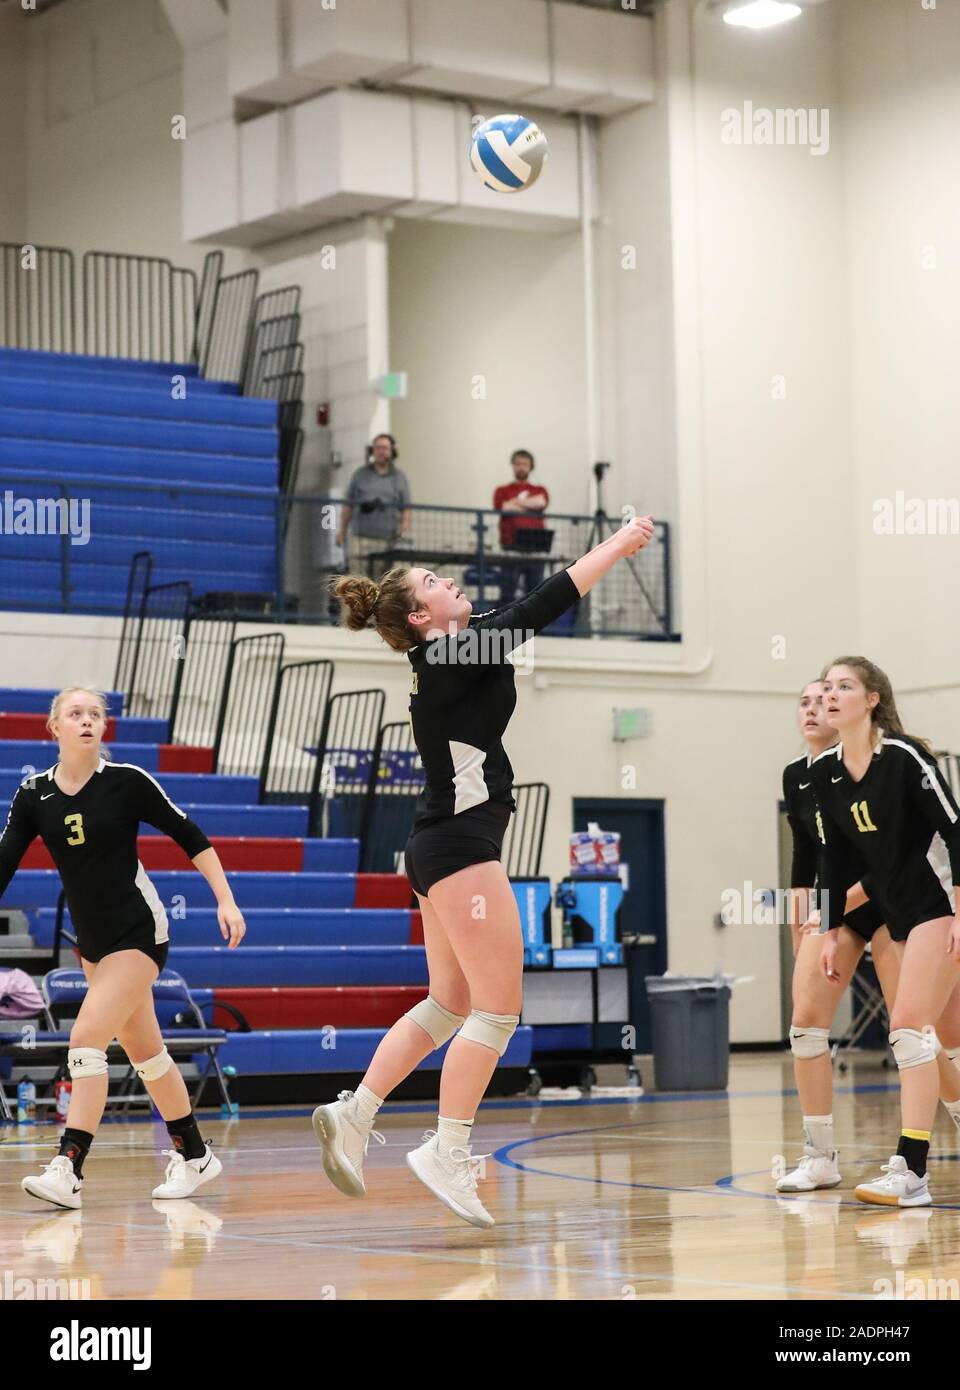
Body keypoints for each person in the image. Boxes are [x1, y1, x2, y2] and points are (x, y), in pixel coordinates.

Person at [311, 514, 655, 1227]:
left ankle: (356, 1111)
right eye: (435, 582)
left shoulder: (459, 647)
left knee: (448, 1005)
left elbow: (527, 609)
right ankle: (448, 1149)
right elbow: (547, 601)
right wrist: (619, 546)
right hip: (461, 849)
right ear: (420, 615)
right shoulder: (447, 658)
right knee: (497, 1010)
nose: (451, 580)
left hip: (438, 847)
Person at [0, 687, 246, 1209]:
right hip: (93, 946)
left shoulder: (127, 782)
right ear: (55, 727)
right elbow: (4, 863)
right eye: (75, 713)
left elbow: (191, 836)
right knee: (147, 1055)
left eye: (95, 714)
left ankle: (68, 1167)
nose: (86, 720)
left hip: (139, 933)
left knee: (86, 1039)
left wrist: (226, 900)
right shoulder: (32, 795)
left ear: (103, 728)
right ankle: (196, 1155)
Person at [778, 680, 960, 1193]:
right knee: (806, 1026)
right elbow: (810, 857)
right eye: (809, 699)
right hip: (843, 903)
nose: (818, 706)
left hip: (895, 902)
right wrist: (813, 925)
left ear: (868, 701)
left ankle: (921, 1152)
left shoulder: (893, 760)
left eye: (831, 695)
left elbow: (899, 853)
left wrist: (839, 907)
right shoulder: (803, 776)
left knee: (922, 1032)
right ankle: (819, 1156)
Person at [336, 434, 412, 577]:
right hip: (360, 538)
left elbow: (406, 509)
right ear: (373, 450)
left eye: (384, 448)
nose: (381, 451)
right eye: (377, 448)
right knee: (357, 582)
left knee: (381, 582)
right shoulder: (360, 474)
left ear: (391, 451)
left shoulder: (399, 478)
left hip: (386, 540)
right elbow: (348, 505)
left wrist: (403, 533)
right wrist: (341, 531)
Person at [492, 449, 550, 604]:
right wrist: (529, 504)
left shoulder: (540, 490)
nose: (521, 467)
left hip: (536, 548)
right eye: (518, 463)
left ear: (531, 467)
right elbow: (503, 507)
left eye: (525, 464)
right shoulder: (502, 490)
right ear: (512, 466)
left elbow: (541, 502)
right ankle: (507, 627)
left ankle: (534, 628)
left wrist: (516, 503)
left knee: (535, 594)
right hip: (511, 547)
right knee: (507, 592)